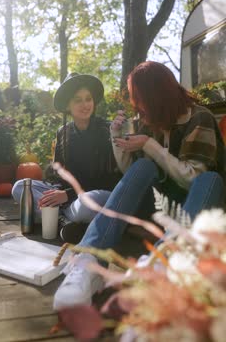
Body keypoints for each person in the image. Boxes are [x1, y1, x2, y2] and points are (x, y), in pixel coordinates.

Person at [53, 61, 226, 310]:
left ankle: (161, 263)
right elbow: (133, 175)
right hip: (158, 208)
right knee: (143, 167)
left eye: (139, 98)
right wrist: (116, 137)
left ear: (156, 95)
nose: (137, 105)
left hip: (196, 206)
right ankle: (89, 261)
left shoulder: (199, 117)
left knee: (210, 179)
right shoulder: (148, 122)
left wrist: (149, 145)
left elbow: (192, 179)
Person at [12, 72, 121, 243]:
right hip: (69, 199)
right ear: (68, 105)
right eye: (78, 100)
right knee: (20, 187)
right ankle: (66, 222)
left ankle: (55, 218)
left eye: (88, 99)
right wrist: (57, 192)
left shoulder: (106, 130)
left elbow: (108, 180)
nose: (85, 104)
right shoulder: (63, 133)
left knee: (88, 203)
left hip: (94, 195)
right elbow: (59, 176)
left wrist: (67, 195)